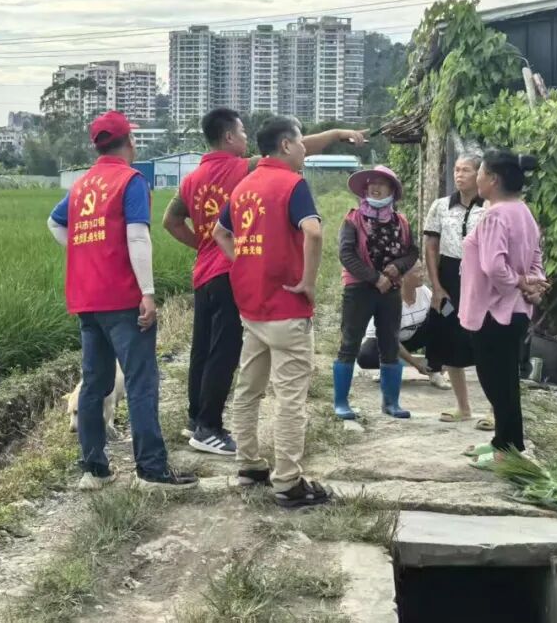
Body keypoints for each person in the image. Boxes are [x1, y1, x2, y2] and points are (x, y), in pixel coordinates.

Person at [163, 109, 365, 456]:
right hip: (231, 270)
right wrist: (335, 134)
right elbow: (289, 150)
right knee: (225, 352)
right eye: (242, 132)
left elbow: (171, 221)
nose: (246, 137)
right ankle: (209, 427)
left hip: (203, 273)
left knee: (202, 349)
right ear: (229, 137)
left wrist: (203, 245)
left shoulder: (192, 179)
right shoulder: (243, 168)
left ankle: (196, 419)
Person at [47, 111, 198, 491]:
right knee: (141, 381)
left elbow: (55, 223)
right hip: (122, 298)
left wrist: (87, 255)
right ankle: (151, 470)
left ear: (97, 147)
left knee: (94, 383)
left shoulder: (82, 185)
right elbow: (137, 237)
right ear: (130, 141)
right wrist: (147, 291)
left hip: (86, 299)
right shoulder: (130, 181)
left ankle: (94, 470)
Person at [212, 116, 330, 509]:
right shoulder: (292, 184)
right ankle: (288, 482)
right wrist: (308, 281)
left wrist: (243, 263)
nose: (304, 150)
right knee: (290, 397)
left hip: (252, 307)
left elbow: (219, 232)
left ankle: (248, 465)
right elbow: (313, 231)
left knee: (249, 389)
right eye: (301, 143)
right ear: (285, 145)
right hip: (287, 308)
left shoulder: (244, 186)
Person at [459, 150, 548, 469]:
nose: (477, 179)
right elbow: (536, 258)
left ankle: (507, 450)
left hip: (493, 312)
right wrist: (533, 282)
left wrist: (521, 282)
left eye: (480, 173)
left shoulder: (495, 215)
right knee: (505, 381)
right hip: (514, 311)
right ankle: (505, 442)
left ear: (493, 180)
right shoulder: (523, 211)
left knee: (496, 382)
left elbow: (494, 267)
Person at [333, 165, 420, 420]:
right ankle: (341, 403)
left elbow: (412, 251)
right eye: (371, 183)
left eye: (382, 184)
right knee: (349, 343)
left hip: (390, 290)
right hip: (358, 288)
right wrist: (375, 277)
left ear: (392, 190)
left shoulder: (401, 221)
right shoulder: (353, 219)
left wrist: (398, 267)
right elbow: (346, 254)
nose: (375, 188)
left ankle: (391, 403)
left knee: (390, 343)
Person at [423, 153, 489, 427]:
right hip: (450, 277)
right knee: (450, 336)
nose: (459, 175)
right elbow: (431, 247)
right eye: (457, 170)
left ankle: (496, 409)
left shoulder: (490, 207)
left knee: (486, 341)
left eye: (466, 170)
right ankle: (463, 406)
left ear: (480, 174)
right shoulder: (441, 206)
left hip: (482, 276)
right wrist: (437, 287)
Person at [356, 268, 433, 377]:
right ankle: (392, 364)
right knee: (365, 357)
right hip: (383, 343)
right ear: (403, 277)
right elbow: (391, 338)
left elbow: (442, 308)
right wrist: (416, 364)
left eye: (422, 270)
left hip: (409, 339)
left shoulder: (424, 291)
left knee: (442, 319)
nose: (422, 274)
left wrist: (452, 315)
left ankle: (436, 366)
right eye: (417, 271)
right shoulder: (389, 298)